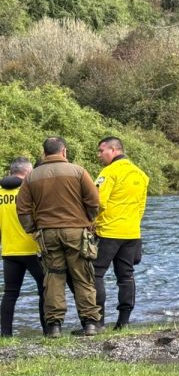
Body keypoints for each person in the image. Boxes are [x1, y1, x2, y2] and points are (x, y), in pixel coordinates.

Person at [16, 137, 101, 337]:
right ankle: (90, 323)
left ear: (44, 153)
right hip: (76, 231)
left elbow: (22, 208)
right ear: (64, 151)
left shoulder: (31, 177)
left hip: (47, 233)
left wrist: (32, 228)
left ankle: (54, 326)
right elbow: (94, 201)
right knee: (83, 276)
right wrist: (88, 219)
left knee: (53, 278)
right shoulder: (78, 171)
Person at [91, 136, 149, 330]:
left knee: (96, 274)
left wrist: (91, 223)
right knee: (126, 276)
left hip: (108, 231)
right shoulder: (141, 174)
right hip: (132, 232)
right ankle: (123, 322)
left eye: (102, 151)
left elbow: (98, 202)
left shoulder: (109, 172)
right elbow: (141, 207)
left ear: (114, 150)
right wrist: (133, 224)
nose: (99, 155)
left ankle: (97, 322)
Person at [0, 157, 46, 336]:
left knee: (10, 293)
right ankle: (48, 330)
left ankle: (5, 334)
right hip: (33, 250)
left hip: (9, 251)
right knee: (45, 290)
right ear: (28, 172)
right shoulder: (30, 191)